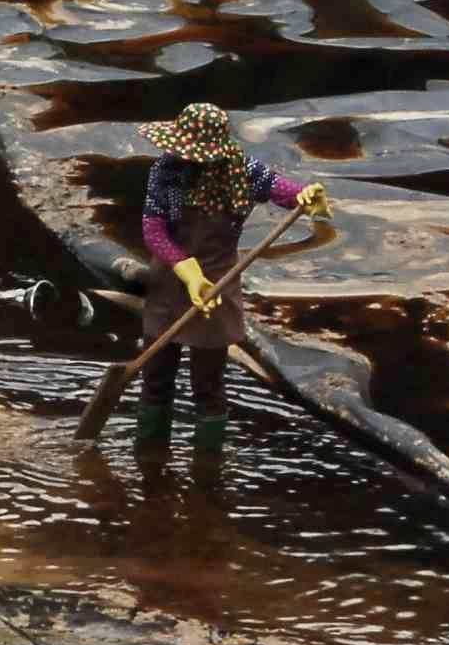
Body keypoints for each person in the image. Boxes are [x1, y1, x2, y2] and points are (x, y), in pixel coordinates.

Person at [136, 102, 329, 430]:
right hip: (170, 280)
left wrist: (306, 197)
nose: (188, 157)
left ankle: (206, 469)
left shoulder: (244, 170)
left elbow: (282, 191)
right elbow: (153, 229)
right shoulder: (165, 170)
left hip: (219, 282)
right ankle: (151, 457)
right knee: (156, 379)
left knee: (208, 387)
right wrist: (187, 271)